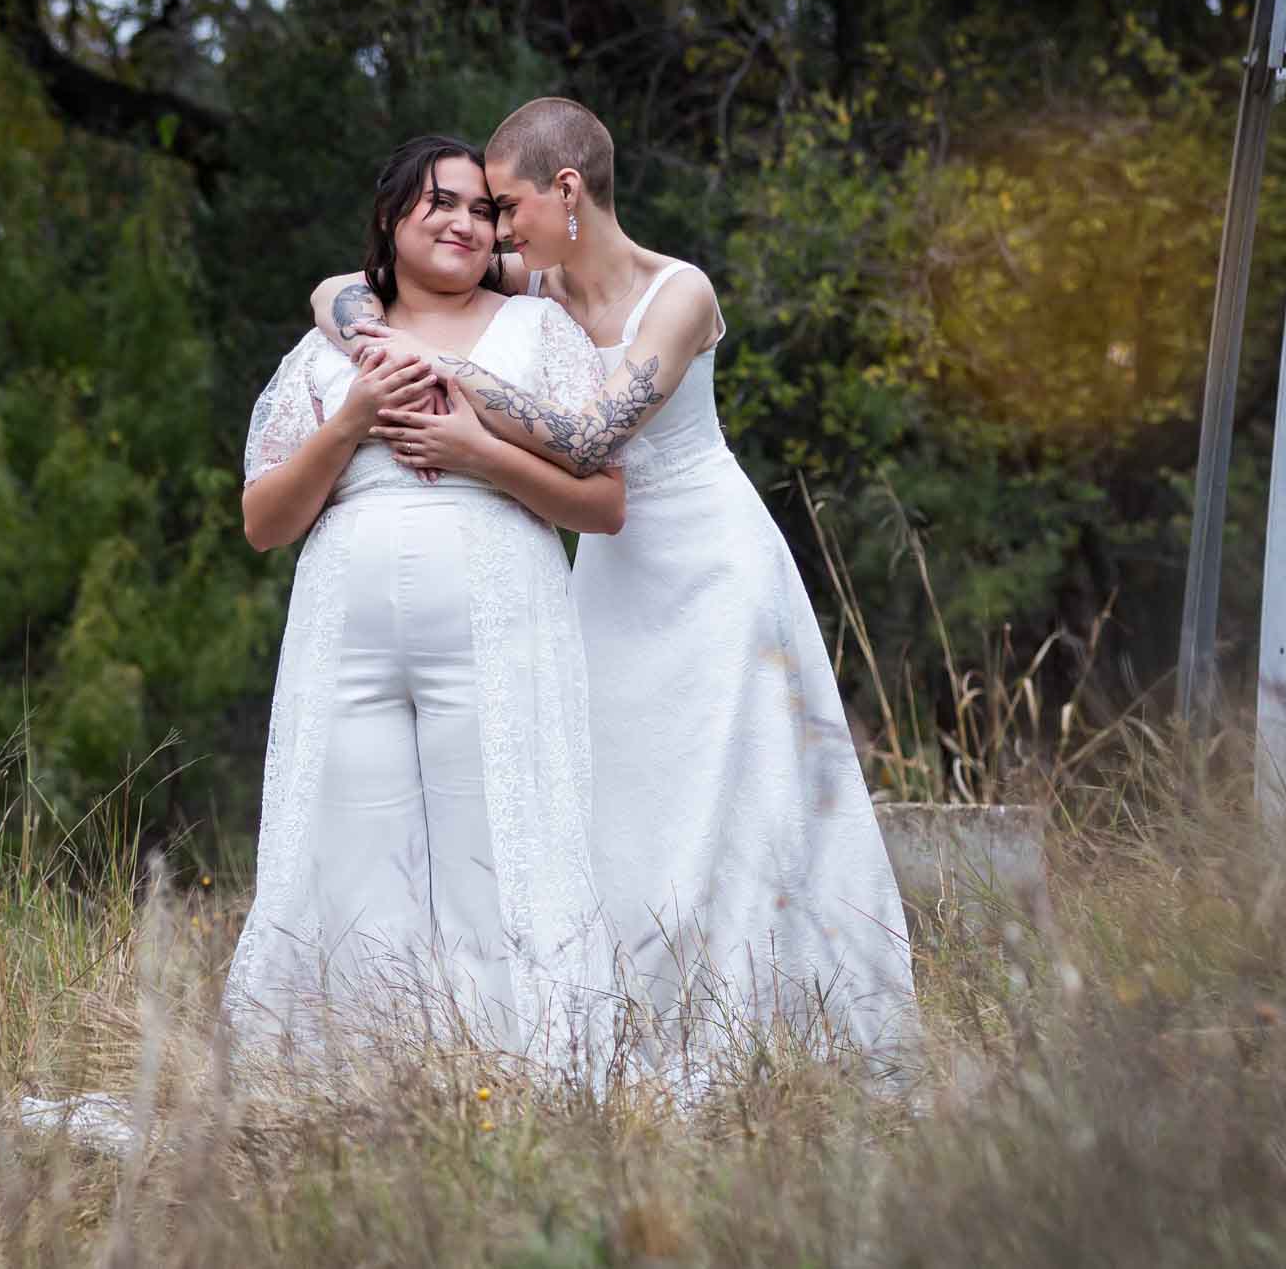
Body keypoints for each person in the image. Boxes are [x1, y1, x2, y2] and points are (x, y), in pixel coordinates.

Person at [310, 100, 919, 1083]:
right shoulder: (538, 280)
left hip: (709, 563)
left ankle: (777, 1035)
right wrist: (376, 338)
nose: (496, 233)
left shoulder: (676, 295)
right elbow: (339, 285)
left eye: (507, 209)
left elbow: (594, 437)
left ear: (566, 191)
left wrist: (451, 383)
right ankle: (629, 1024)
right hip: (607, 573)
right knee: (607, 795)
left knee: (735, 795)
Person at [229, 134, 622, 1064]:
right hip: (345, 638)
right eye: (438, 203)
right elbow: (262, 522)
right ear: (389, 218)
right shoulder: (335, 347)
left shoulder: (538, 332)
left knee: (498, 837)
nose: (464, 222)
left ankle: (518, 1064)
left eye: (484, 211)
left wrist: (473, 452)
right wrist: (354, 420)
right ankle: (363, 1071)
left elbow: (604, 501)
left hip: (499, 625)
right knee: (351, 844)